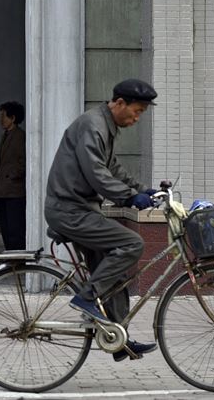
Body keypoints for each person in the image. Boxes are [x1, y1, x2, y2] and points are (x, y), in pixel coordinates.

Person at [44, 78, 159, 362]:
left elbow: (114, 169)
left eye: (142, 113)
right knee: (132, 243)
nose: (137, 117)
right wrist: (129, 197)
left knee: (117, 272)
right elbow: (97, 173)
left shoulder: (105, 128)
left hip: (82, 210)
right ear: (119, 103)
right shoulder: (92, 125)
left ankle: (118, 338)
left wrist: (144, 191)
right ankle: (87, 297)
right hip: (70, 211)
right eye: (137, 110)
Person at [0, 101, 26, 250]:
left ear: (13, 118)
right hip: (3, 189)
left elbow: (24, 162)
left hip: (14, 190)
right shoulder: (6, 135)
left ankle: (17, 256)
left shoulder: (20, 136)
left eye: (4, 116)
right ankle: (10, 253)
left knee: (14, 227)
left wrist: (11, 175)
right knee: (5, 226)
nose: (1, 119)